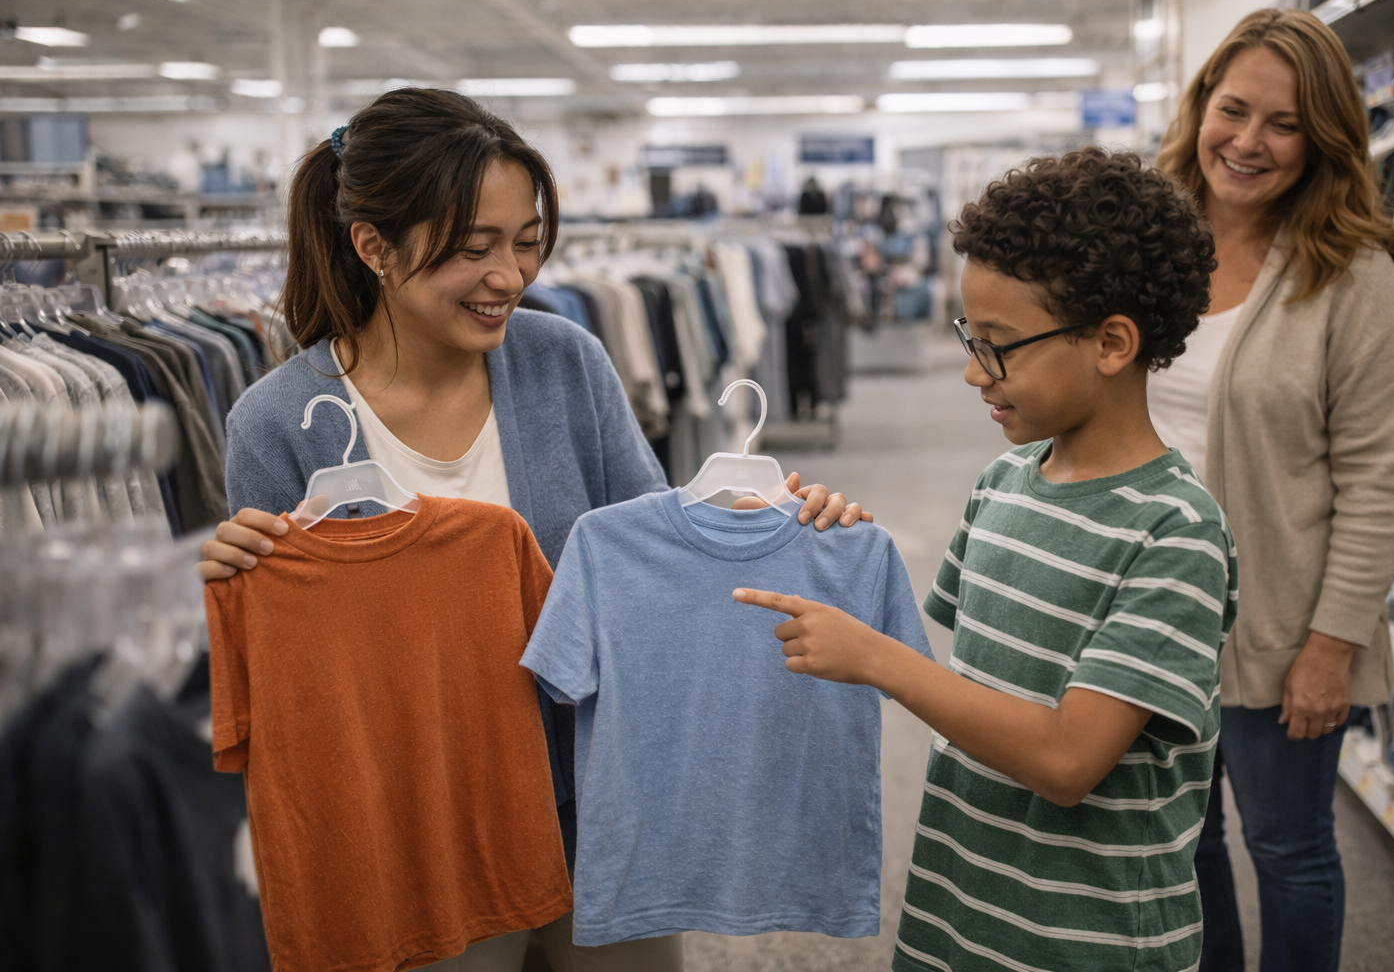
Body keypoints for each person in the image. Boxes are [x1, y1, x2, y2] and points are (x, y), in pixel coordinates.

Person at [196, 87, 870, 971]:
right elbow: (297, 677)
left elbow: (650, 548)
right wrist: (230, 568)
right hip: (427, 820)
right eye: (472, 250)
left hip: (595, 789)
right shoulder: (277, 422)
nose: (508, 277)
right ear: (374, 247)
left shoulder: (565, 363)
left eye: (525, 244)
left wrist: (769, 520)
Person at [736, 148, 1236, 972]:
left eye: (998, 345)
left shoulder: (1175, 533)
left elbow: (1069, 760)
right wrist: (830, 547)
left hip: (1091, 939)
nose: (972, 370)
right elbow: (967, 679)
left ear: (1112, 343)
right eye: (970, 336)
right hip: (963, 905)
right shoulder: (1006, 480)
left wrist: (877, 660)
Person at [1151, 9, 1394, 972]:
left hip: (1282, 625)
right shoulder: (1149, 242)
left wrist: (1332, 646)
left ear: (1325, 140)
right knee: (1184, 843)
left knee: (1289, 847)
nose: (1248, 142)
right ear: (1202, 108)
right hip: (1151, 614)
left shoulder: (1352, 274)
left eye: (1285, 123)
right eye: (1234, 110)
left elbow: (1381, 478)